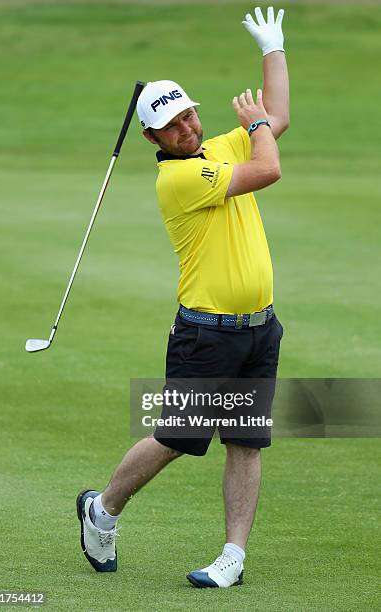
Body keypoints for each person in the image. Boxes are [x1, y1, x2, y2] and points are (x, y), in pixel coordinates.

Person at [76, 6, 289, 588]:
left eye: (190, 114)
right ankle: (104, 510)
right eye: (172, 125)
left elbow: (277, 120)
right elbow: (268, 166)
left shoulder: (216, 149)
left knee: (246, 443)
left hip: (260, 328)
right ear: (153, 137)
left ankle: (233, 557)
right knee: (176, 437)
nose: (188, 128)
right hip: (208, 332)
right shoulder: (179, 178)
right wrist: (254, 127)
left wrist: (274, 50)